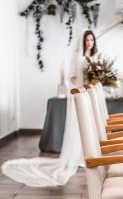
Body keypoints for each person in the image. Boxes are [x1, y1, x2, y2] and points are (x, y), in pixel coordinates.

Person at [0, 29, 96, 187]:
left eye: (91, 40)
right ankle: (76, 156)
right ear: (83, 41)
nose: (89, 43)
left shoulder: (94, 57)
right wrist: (82, 83)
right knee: (78, 126)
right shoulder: (76, 57)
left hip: (90, 96)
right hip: (79, 94)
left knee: (89, 125)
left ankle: (89, 153)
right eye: (87, 40)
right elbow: (71, 77)